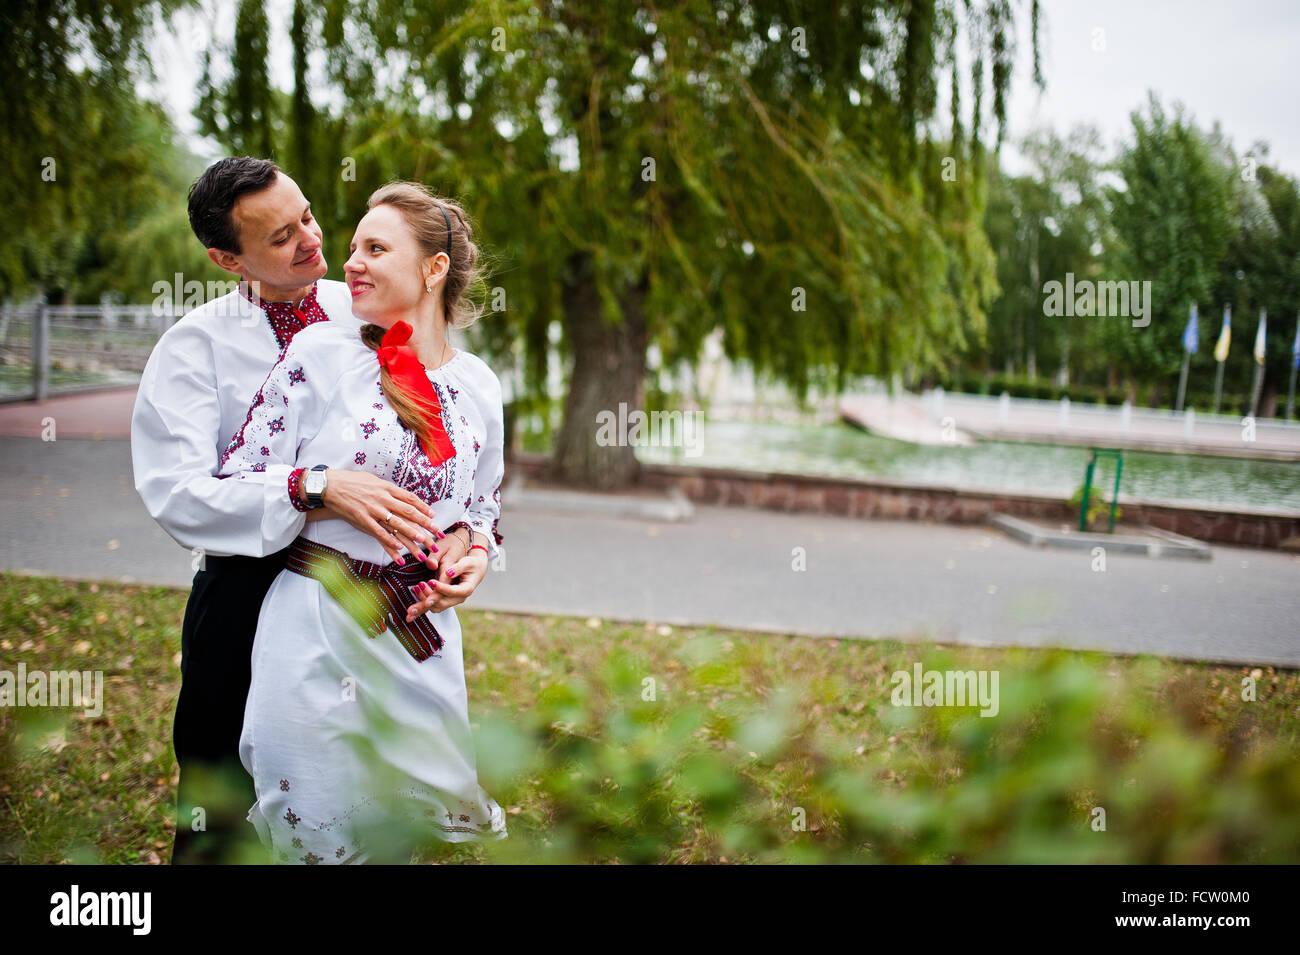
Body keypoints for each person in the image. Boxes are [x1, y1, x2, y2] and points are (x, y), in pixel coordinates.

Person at [131, 158, 480, 864]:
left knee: (355, 800)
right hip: (244, 590)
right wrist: (311, 486)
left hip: (363, 601)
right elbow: (175, 492)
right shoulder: (194, 346)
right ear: (226, 258)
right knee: (219, 810)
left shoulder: (371, 307)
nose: (313, 241)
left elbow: (445, 446)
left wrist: (465, 540)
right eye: (281, 236)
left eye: (309, 216)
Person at [216, 181, 507, 864]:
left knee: (399, 835)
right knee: (316, 830)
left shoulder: (481, 387)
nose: (351, 262)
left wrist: (472, 553)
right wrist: (321, 487)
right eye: (351, 247)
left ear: (434, 268)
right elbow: (235, 480)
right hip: (316, 624)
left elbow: (481, 505)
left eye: (375, 248)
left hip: (417, 635)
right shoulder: (320, 355)